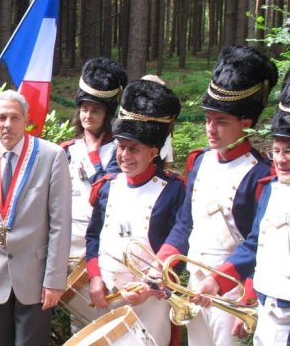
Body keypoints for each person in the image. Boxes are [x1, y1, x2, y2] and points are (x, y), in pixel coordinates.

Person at [156, 45, 277, 346]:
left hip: (231, 291)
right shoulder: (199, 162)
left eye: (221, 121)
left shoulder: (260, 175)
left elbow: (258, 242)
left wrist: (247, 295)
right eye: (209, 119)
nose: (211, 128)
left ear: (245, 124)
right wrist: (161, 261)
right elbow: (186, 224)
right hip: (195, 286)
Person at [0, 90, 72, 345]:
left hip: (35, 275)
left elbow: (60, 224)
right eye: (1, 118)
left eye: (14, 117)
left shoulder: (51, 156)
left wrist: (55, 281)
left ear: (25, 119)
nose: (7, 125)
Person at [192, 74, 290, 346]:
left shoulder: (257, 175)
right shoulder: (272, 189)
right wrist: (216, 281)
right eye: (278, 150)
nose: (282, 159)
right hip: (268, 307)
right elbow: (254, 244)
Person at [85, 80, 184, 345]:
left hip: (151, 302)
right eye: (121, 147)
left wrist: (151, 288)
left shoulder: (174, 190)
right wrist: (95, 278)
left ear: (153, 152)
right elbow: (94, 237)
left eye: (134, 149)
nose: (124, 155)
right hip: (107, 296)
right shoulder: (106, 187)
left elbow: (180, 246)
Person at [60, 57, 126, 263]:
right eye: (84, 109)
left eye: (95, 110)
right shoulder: (66, 150)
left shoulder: (120, 150)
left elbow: (110, 196)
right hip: (66, 242)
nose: (88, 115)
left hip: (101, 245)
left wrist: (94, 158)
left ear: (107, 114)